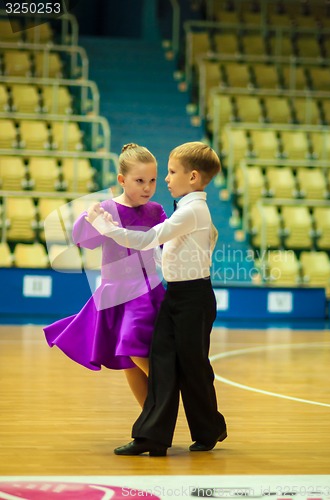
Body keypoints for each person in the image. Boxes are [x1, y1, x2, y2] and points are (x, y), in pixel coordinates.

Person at [85, 141, 227, 456]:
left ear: (192, 177)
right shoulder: (188, 209)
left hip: (193, 299)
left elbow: (149, 239)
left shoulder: (193, 210)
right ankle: (152, 437)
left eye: (171, 172)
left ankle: (210, 429)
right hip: (175, 296)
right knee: (162, 365)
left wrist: (106, 227)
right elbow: (191, 242)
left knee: (193, 367)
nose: (164, 179)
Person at [43, 144, 167, 408]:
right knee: (128, 361)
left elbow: (168, 245)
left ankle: (169, 386)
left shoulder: (155, 210)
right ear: (122, 180)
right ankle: (151, 419)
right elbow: (83, 241)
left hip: (144, 292)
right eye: (140, 180)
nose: (147, 187)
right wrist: (89, 219)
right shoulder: (106, 209)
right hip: (115, 292)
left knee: (132, 345)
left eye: (152, 180)